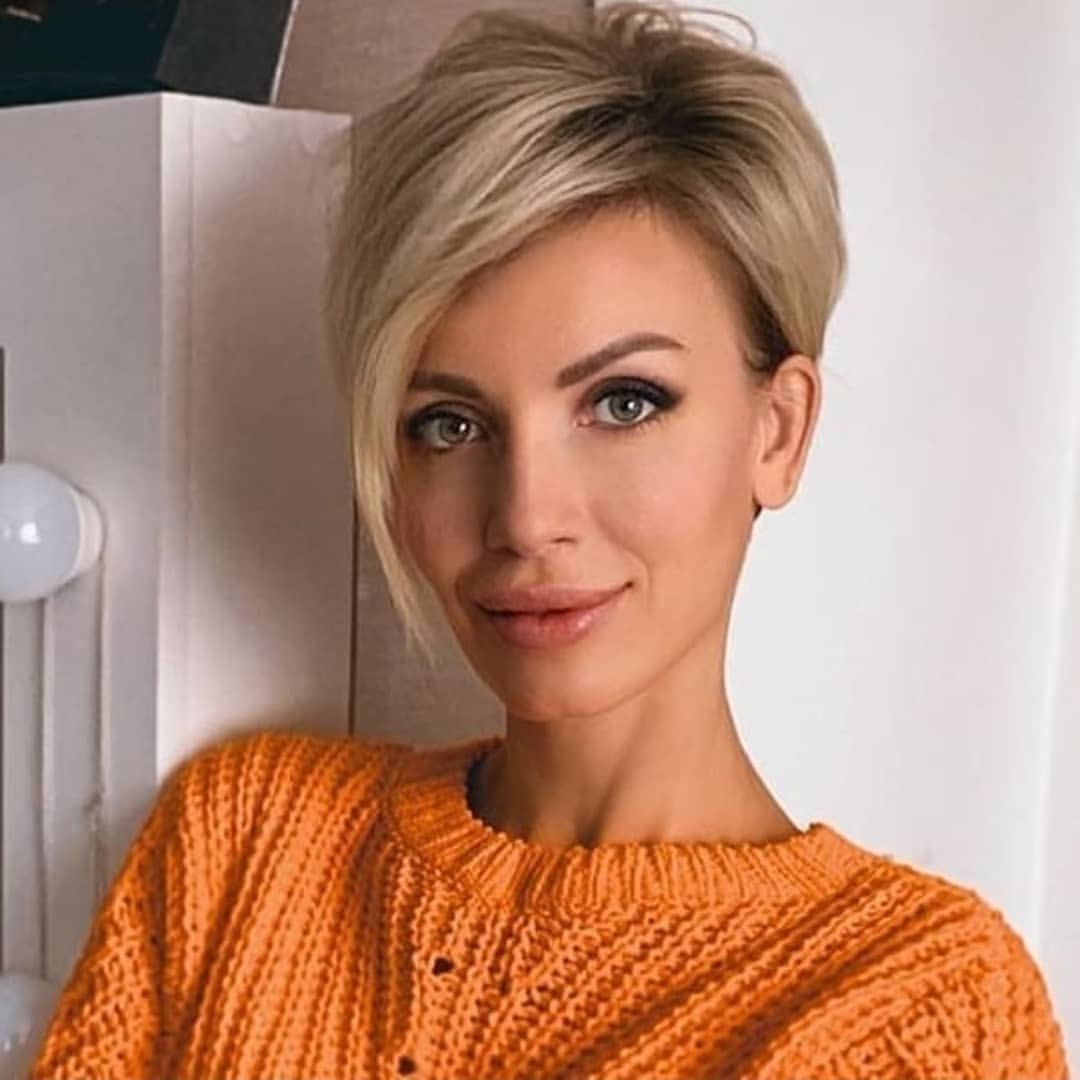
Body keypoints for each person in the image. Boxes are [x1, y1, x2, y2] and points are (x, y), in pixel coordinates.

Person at [30, 3, 1070, 1078]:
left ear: (778, 430)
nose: (526, 519)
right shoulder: (245, 847)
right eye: (450, 424)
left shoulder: (919, 1013)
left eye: (624, 403)